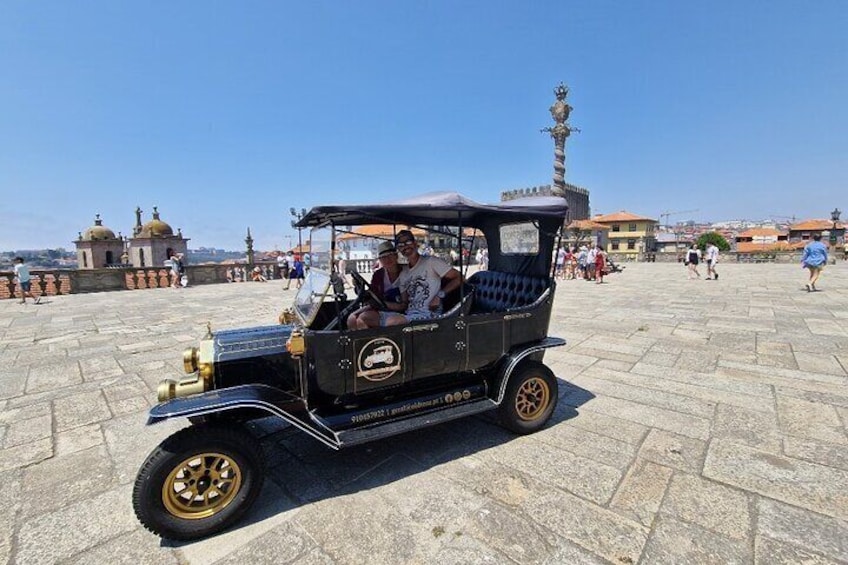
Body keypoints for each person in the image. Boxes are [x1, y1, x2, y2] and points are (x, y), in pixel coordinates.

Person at [380, 230, 463, 326]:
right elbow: (404, 305)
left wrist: (440, 295)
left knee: (392, 322)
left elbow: (460, 277)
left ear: (415, 243)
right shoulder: (404, 274)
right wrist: (382, 304)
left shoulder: (431, 262)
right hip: (409, 314)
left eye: (408, 242)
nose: (405, 247)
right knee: (367, 317)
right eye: (401, 245)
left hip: (429, 315)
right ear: (399, 249)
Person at [348, 241, 406, 329]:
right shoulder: (378, 275)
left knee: (363, 318)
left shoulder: (407, 271)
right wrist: (359, 289)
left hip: (402, 309)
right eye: (383, 257)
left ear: (396, 256)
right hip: (383, 308)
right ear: (380, 260)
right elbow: (374, 294)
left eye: (390, 255)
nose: (387, 259)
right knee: (351, 318)